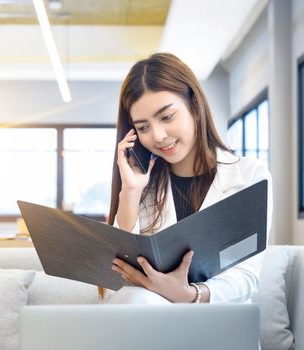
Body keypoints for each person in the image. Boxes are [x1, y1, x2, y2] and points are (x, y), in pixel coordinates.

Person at [103, 52, 273, 304]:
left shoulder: (249, 175)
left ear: (194, 107)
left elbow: (246, 276)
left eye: (167, 117)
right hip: (151, 324)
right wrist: (129, 191)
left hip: (219, 325)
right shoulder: (143, 186)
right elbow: (116, 280)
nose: (158, 135)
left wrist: (190, 295)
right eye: (143, 127)